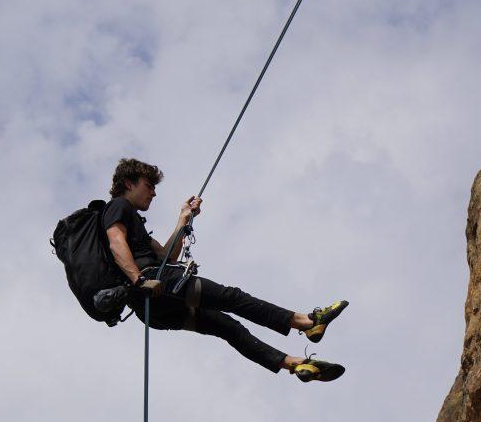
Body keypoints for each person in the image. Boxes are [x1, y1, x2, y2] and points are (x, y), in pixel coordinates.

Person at [102, 158, 348, 382]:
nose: (154, 193)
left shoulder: (134, 221)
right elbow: (116, 242)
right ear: (129, 183)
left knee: (227, 327)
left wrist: (183, 218)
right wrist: (138, 280)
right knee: (232, 297)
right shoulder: (119, 206)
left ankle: (296, 365)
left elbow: (166, 256)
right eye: (149, 185)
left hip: (152, 309)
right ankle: (307, 322)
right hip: (155, 284)